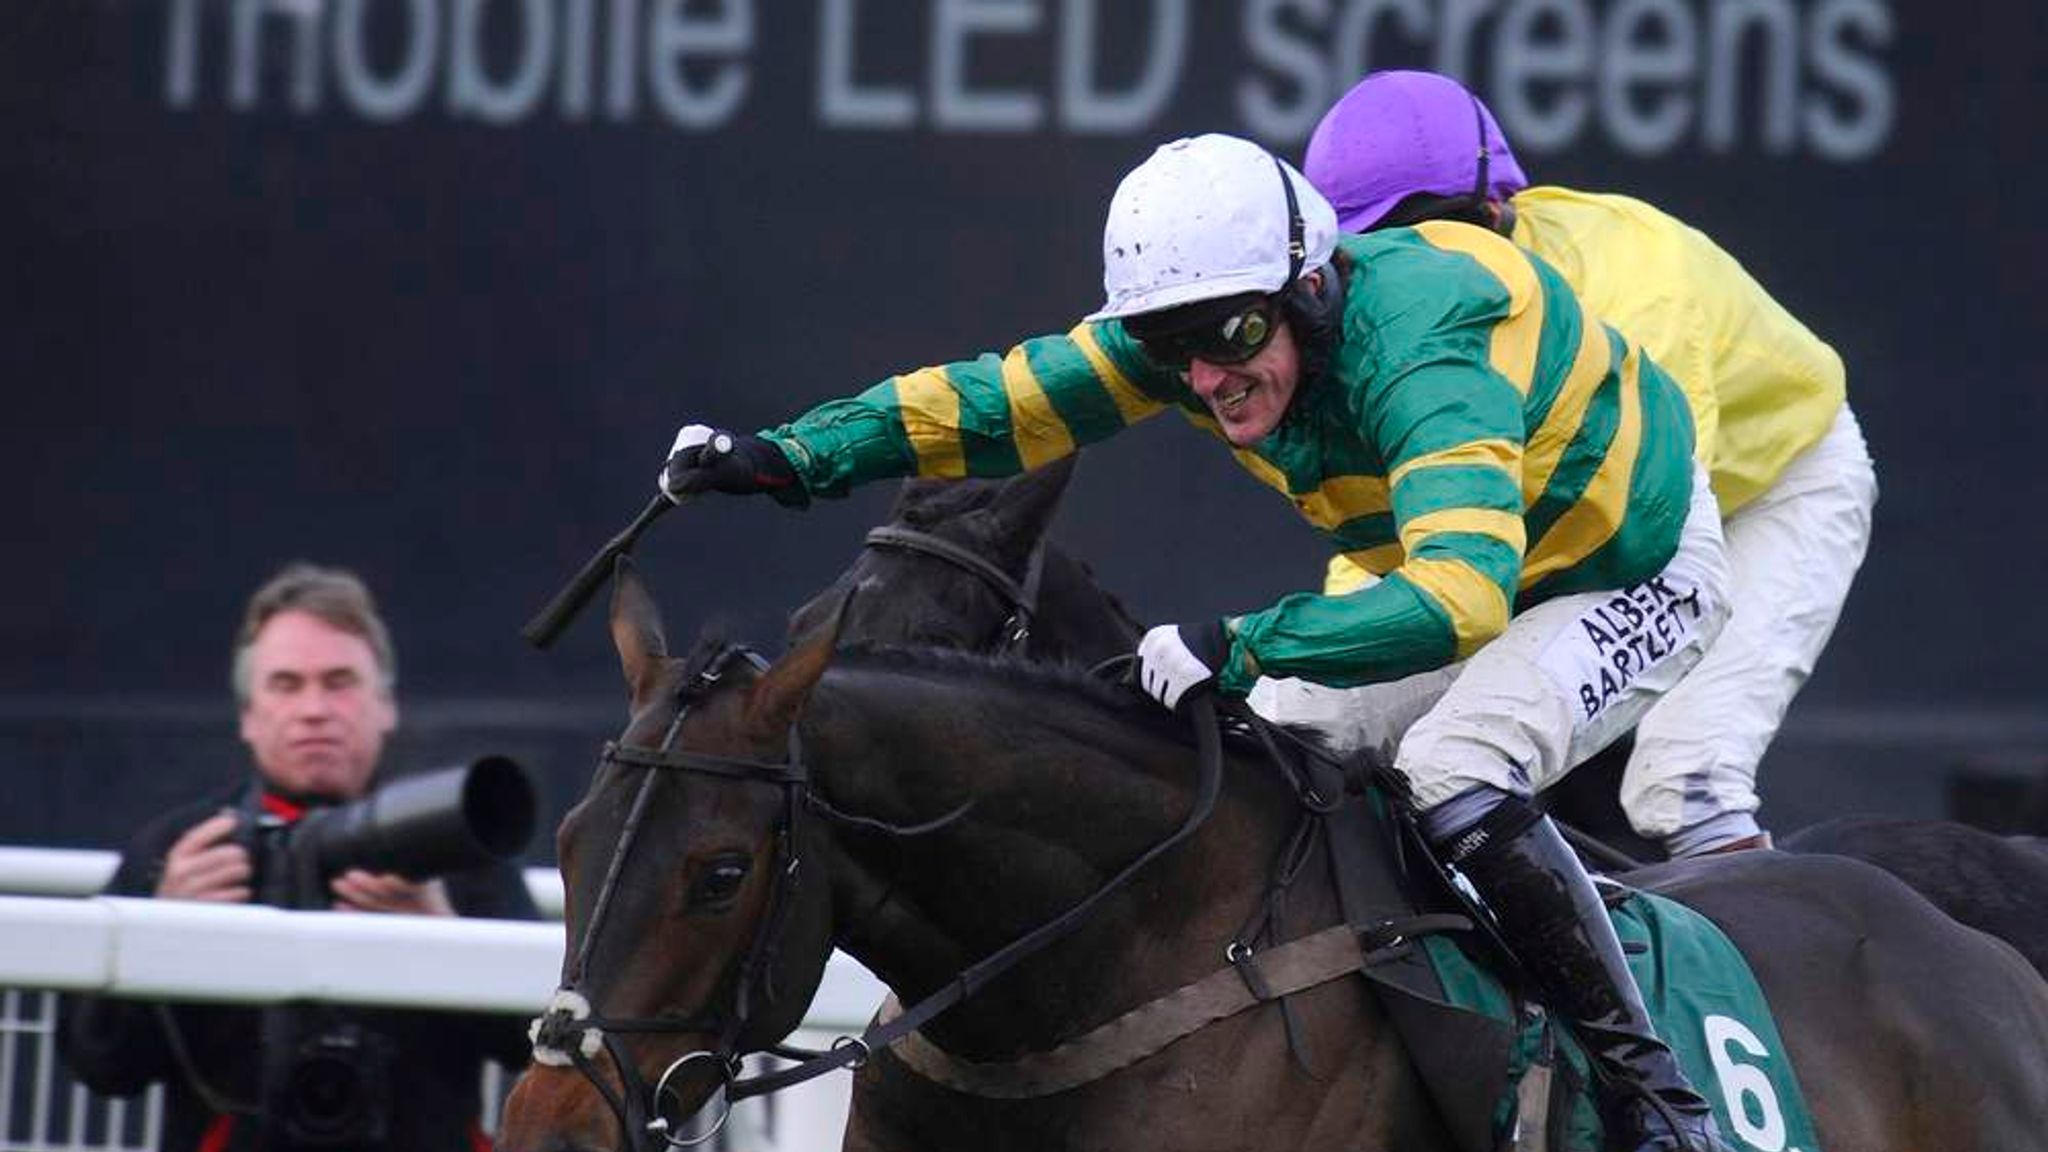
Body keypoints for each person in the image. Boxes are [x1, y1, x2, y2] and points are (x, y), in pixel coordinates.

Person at [656, 134, 1736, 1151]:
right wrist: (785, 457)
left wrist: (1242, 639)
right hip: (1479, 554)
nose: (1208, 380)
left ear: (1310, 289)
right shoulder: (1201, 333)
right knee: (1269, 750)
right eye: (1173, 350)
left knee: (1453, 769)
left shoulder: (1419, 346)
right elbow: (991, 406)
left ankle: (1653, 1098)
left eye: (1230, 339)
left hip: (1628, 565)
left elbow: (1459, 601)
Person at [1304, 69, 1879, 859]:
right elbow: (1384, 537)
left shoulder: (1631, 281)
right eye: (1386, 241)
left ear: (1501, 209)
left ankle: (1767, 976)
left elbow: (1656, 523)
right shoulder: (1377, 326)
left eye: (1441, 227)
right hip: (1566, 514)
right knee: (1329, 729)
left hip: (1759, 494)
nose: (1426, 257)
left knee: (1685, 784)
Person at [58, 563, 538, 1152]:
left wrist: (446, 942)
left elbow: (535, 1041)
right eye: (286, 684)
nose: (315, 709)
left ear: (385, 705)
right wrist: (162, 934)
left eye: (339, 681)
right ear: (248, 717)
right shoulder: (181, 853)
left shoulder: (457, 845)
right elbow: (100, 1065)